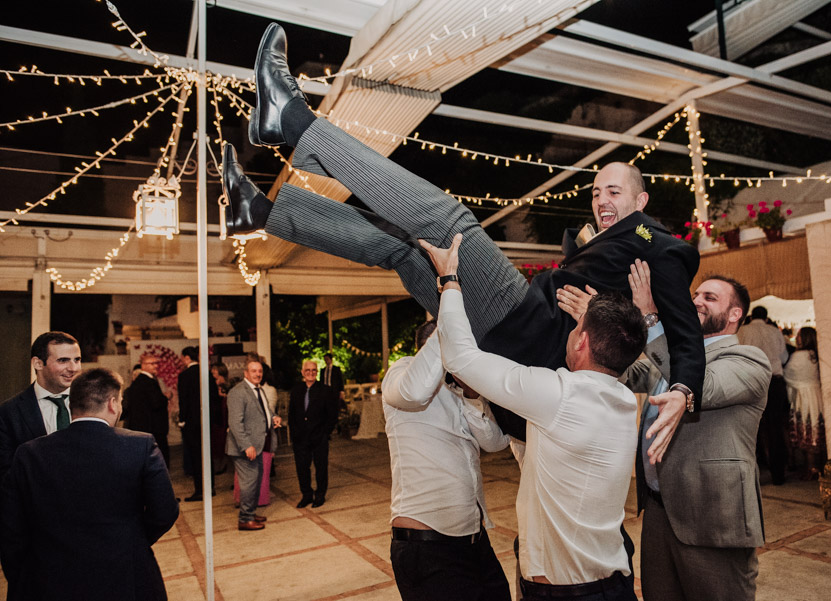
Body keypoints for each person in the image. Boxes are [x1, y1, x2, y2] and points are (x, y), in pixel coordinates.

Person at [221, 22, 704, 456]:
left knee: (448, 221)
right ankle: (262, 212)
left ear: (641, 204)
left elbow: (685, 336)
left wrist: (683, 389)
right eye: (596, 190)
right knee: (404, 249)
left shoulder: (659, 245)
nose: (601, 199)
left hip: (521, 324)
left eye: (614, 191)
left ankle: (291, 121)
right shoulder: (597, 243)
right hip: (506, 337)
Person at [419, 232, 644, 600]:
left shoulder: (560, 394)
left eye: (576, 328)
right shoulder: (621, 400)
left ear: (582, 341)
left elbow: (460, 357)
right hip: (606, 584)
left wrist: (449, 280)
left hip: (572, 594)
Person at [560, 265, 769, 601]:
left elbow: (700, 386)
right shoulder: (670, 355)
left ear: (734, 314)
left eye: (709, 297)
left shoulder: (747, 359)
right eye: (695, 295)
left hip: (712, 515)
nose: (697, 301)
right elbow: (620, 368)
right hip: (658, 510)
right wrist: (600, 327)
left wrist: (649, 317)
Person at [0, 367, 179, 601]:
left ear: (70, 405)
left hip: (50, 579)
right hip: (124, 575)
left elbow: (11, 525)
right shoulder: (140, 446)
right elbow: (165, 511)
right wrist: (129, 539)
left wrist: (24, 575)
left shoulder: (29, 453)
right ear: (113, 403)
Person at [382, 319, 511, 601]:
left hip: (474, 541)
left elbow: (495, 442)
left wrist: (472, 393)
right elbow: (415, 393)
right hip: (426, 546)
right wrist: (450, 326)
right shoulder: (401, 372)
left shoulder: (461, 385)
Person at [0, 331, 81, 484]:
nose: (73, 368)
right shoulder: (9, 413)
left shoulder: (94, 403)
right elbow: (7, 474)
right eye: (63, 360)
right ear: (38, 363)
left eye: (77, 360)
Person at [226, 357, 282, 530]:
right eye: (253, 371)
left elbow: (266, 411)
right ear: (246, 373)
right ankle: (245, 519)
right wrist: (246, 446)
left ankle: (250, 513)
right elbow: (236, 423)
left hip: (259, 445)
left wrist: (274, 418)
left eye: (259, 371)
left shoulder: (259, 390)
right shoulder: (238, 392)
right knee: (249, 484)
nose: (257, 374)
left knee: (255, 482)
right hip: (246, 448)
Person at [738, 305, 789, 484]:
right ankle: (778, 475)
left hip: (752, 381)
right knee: (775, 427)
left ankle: (754, 475)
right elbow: (783, 358)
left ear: (752, 317)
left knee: (751, 428)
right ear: (766, 318)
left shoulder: (743, 331)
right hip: (774, 381)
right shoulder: (775, 331)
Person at [289, 360, 340, 508]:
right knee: (302, 468)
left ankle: (320, 495)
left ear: (316, 372)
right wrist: (294, 433)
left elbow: (332, 415)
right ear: (302, 372)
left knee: (321, 468)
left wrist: (325, 433)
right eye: (308, 370)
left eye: (313, 371)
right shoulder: (296, 390)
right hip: (300, 438)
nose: (311, 373)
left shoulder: (326, 390)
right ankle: (306, 495)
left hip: (319, 437)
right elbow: (292, 414)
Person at [178, 346, 220, 501]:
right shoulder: (206, 373)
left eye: (182, 357)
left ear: (187, 358)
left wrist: (182, 420)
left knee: (196, 457)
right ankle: (211, 487)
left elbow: (184, 401)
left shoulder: (184, 376)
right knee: (207, 455)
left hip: (192, 423)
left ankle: (200, 490)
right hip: (206, 420)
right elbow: (214, 398)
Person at [784, 327, 825, 478]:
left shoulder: (798, 356)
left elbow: (788, 375)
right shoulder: (818, 354)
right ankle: (822, 465)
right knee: (818, 429)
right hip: (818, 394)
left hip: (803, 397)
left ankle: (811, 467)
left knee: (807, 430)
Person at [123, 352, 172, 467]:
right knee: (159, 461)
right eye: (152, 363)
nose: (156, 366)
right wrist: (166, 397)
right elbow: (156, 404)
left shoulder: (138, 381)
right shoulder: (148, 381)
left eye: (157, 363)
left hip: (144, 428)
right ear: (143, 365)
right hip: (154, 429)